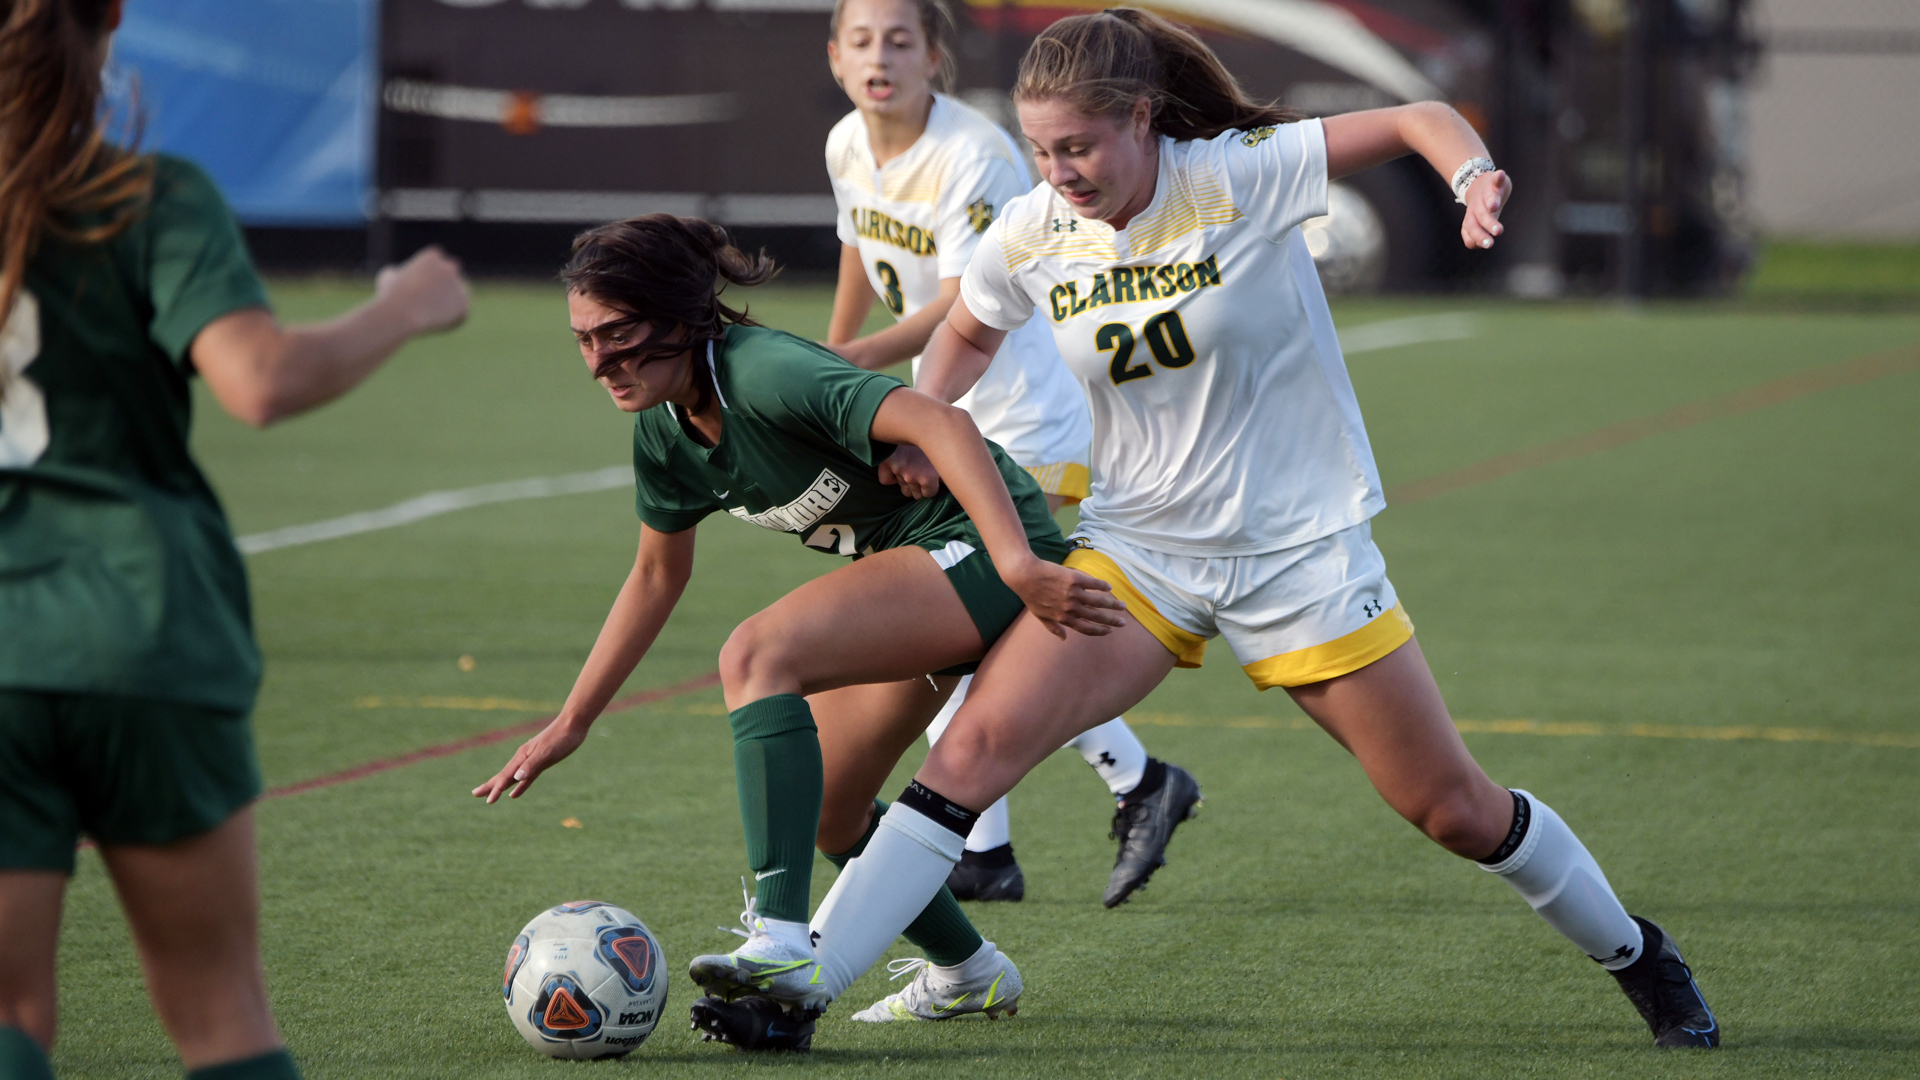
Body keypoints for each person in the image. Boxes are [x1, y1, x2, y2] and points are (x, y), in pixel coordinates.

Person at [703, 8, 1721, 1051]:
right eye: (1044, 150)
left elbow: (1421, 116)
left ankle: (1638, 955)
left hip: (1299, 557)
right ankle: (798, 991)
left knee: (1451, 807)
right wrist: (920, 424)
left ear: (1144, 120)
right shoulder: (1037, 227)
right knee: (969, 753)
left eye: (1081, 147)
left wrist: (1471, 178)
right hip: (1139, 552)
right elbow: (965, 326)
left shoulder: (1238, 172)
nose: (1059, 172)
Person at [470, 215, 1118, 1051]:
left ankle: (777, 937)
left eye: (620, 334)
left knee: (756, 651)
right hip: (925, 564)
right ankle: (969, 972)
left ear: (680, 315)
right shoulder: (664, 435)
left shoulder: (764, 372)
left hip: (985, 547)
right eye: (584, 340)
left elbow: (943, 425)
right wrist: (572, 722)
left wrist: (1021, 564)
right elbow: (656, 577)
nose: (600, 361)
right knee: (833, 813)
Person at [0, 3, 471, 1078]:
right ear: (109, 19)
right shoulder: (145, 195)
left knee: (11, 1012)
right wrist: (402, 304)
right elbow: (261, 379)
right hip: (143, 629)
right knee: (219, 1016)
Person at [822, 0, 1200, 916]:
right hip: (939, 412)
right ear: (834, 58)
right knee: (974, 628)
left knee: (971, 615)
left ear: (936, 57)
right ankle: (1107, 796)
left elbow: (959, 303)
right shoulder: (845, 143)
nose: (881, 57)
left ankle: (1015, 839)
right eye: (863, 41)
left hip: (1027, 418)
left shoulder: (975, 154)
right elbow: (857, 251)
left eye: (901, 40)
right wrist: (837, 359)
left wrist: (849, 374)